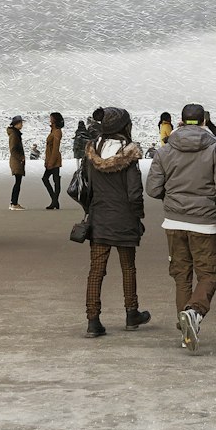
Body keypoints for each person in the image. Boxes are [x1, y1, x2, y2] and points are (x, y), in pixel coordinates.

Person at [147, 103, 216, 353]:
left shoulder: (164, 151)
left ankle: (185, 330)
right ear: (204, 122)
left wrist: (172, 197)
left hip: (173, 222)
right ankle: (194, 313)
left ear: (181, 122)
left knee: (181, 277)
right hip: (203, 224)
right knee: (209, 275)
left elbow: (152, 189)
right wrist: (213, 200)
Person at [81, 107, 149, 338]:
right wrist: (138, 216)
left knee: (96, 270)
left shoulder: (93, 152)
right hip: (124, 218)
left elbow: (87, 187)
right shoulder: (129, 155)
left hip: (99, 217)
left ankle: (93, 320)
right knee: (128, 267)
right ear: (124, 126)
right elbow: (134, 192)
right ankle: (131, 313)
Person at [42, 113, 64, 210]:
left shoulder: (57, 132)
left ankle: (55, 201)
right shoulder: (53, 130)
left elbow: (55, 148)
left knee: (54, 180)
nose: (50, 119)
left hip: (54, 159)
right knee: (49, 179)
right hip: (50, 158)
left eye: (51, 117)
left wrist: (51, 161)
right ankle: (55, 201)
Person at [6, 115, 28, 210]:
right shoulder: (14, 134)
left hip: (17, 161)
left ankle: (14, 202)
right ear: (16, 124)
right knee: (17, 182)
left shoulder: (15, 133)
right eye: (21, 123)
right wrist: (21, 158)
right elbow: (13, 149)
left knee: (18, 182)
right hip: (16, 161)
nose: (22, 125)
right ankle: (14, 203)